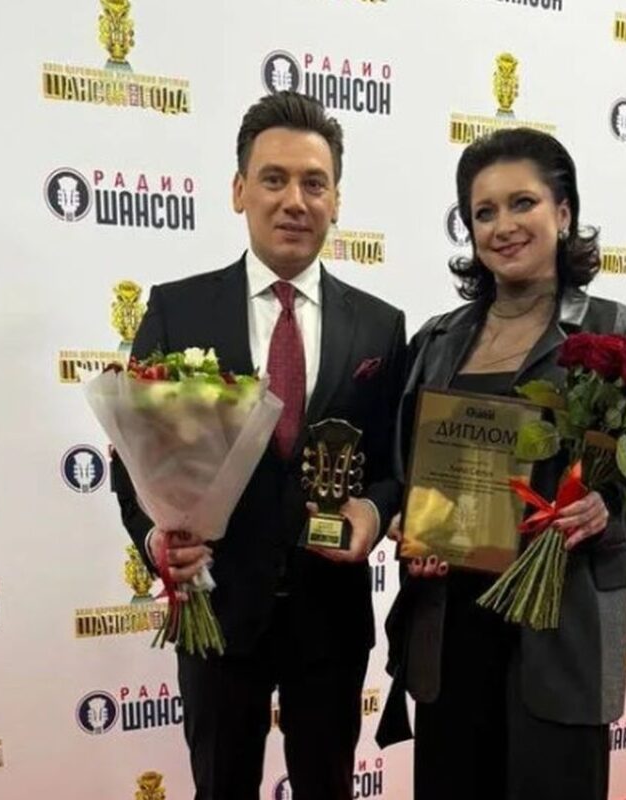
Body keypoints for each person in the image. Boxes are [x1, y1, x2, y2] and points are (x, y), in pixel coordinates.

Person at [110, 91, 407, 800]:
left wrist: (373, 511)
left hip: (330, 618)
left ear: (336, 200)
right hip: (217, 609)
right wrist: (155, 540)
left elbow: (395, 463)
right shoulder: (178, 308)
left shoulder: (380, 326)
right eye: (274, 179)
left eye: (314, 183)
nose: (294, 201)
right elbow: (133, 459)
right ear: (239, 189)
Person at [377, 128, 626, 800]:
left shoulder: (620, 335)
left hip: (562, 621)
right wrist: (412, 526)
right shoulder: (437, 340)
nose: (503, 226)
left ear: (563, 213)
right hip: (452, 622)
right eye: (483, 212)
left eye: (523, 203)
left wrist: (607, 509)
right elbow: (407, 468)